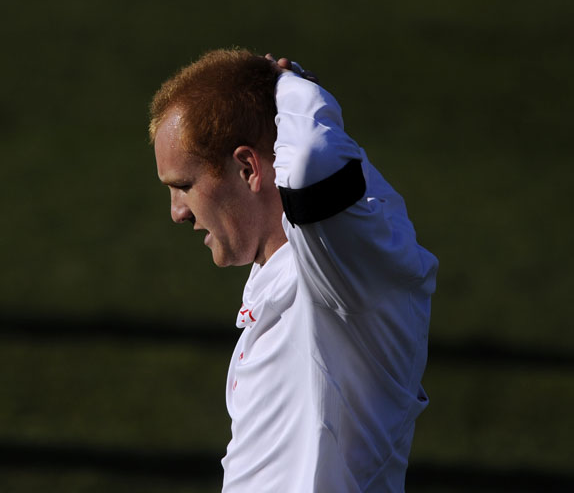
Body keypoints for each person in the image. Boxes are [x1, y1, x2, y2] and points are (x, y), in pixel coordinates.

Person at [149, 49, 438, 492]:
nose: (177, 213)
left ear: (247, 167)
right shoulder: (287, 266)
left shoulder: (347, 277)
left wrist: (289, 85)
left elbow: (312, 160)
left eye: (184, 187)